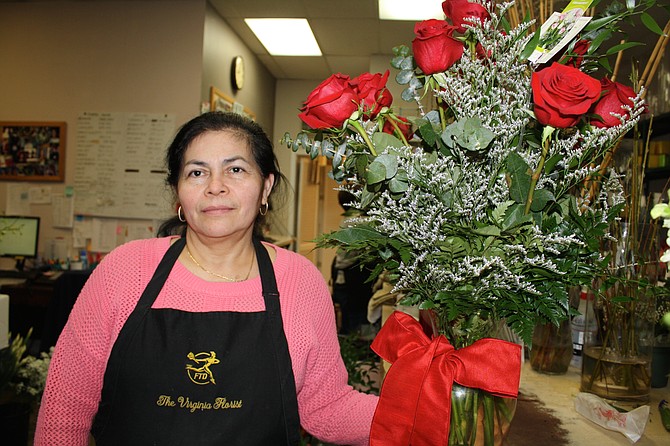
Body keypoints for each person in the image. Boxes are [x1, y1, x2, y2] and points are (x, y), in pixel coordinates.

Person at [34, 111, 378, 445]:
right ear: (177, 191)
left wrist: (420, 415)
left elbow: (327, 407)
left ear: (265, 187)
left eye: (236, 169)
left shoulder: (300, 281)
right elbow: (65, 408)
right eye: (197, 173)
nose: (215, 187)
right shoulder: (125, 270)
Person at [331, 191, 374, 335]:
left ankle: (351, 341)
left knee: (349, 313)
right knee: (355, 314)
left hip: (345, 271)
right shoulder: (356, 220)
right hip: (352, 274)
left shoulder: (349, 219)